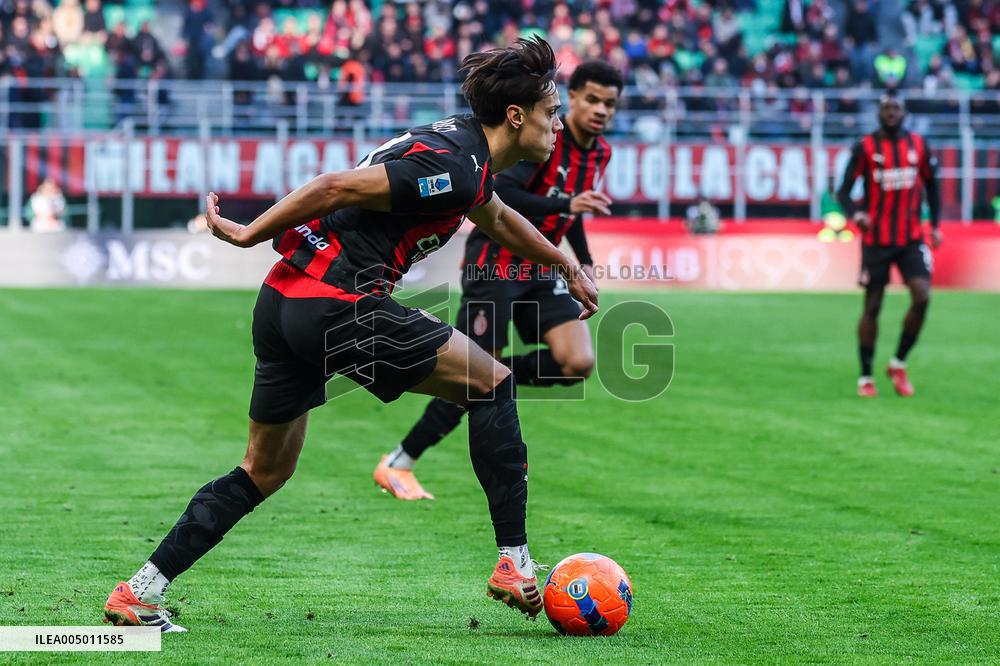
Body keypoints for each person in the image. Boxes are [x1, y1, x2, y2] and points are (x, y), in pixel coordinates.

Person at [102, 37, 599, 632]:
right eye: (551, 113)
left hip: (283, 300)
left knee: (264, 470)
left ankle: (141, 592)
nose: (558, 123)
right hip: (338, 303)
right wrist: (249, 232)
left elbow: (495, 216)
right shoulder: (454, 164)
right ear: (516, 117)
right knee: (492, 382)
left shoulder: (463, 154)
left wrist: (564, 264)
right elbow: (335, 187)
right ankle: (513, 562)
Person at [373, 61, 623, 501]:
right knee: (476, 375)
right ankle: (400, 461)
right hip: (495, 264)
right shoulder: (545, 137)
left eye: (610, 104)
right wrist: (567, 203)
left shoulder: (600, 153)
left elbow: (571, 213)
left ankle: (498, 374)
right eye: (591, 100)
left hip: (540, 270)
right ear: (575, 96)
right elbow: (502, 195)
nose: (600, 110)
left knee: (576, 362)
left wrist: (582, 261)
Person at [837, 93, 942, 398]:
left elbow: (933, 186)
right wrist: (855, 212)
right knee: (872, 307)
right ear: (878, 114)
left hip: (910, 237)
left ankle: (898, 363)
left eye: (896, 108)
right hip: (876, 240)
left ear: (905, 113)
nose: (891, 113)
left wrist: (935, 226)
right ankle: (866, 377)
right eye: (886, 109)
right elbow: (843, 191)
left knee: (922, 296)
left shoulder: (919, 146)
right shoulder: (866, 148)